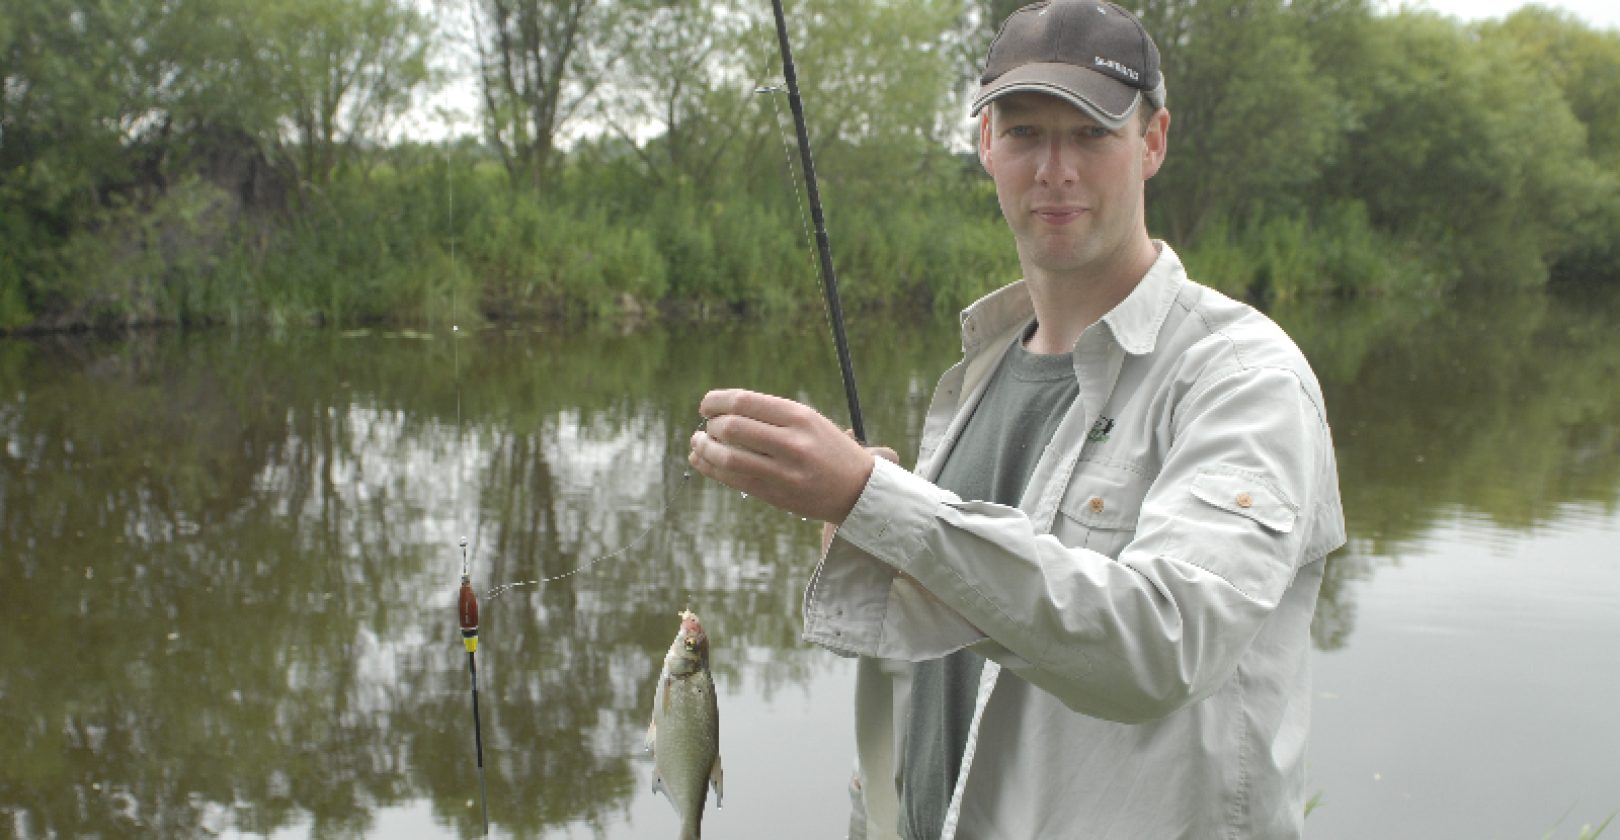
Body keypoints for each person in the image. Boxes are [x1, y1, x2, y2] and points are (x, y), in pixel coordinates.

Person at [687, 0, 1346, 837]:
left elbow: (1161, 648)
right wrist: (875, 534)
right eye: (1027, 132)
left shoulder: (1244, 378)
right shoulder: (982, 368)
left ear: (1153, 142)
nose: (1055, 168)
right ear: (986, 146)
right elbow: (959, 639)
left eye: (1093, 134)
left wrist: (872, 497)